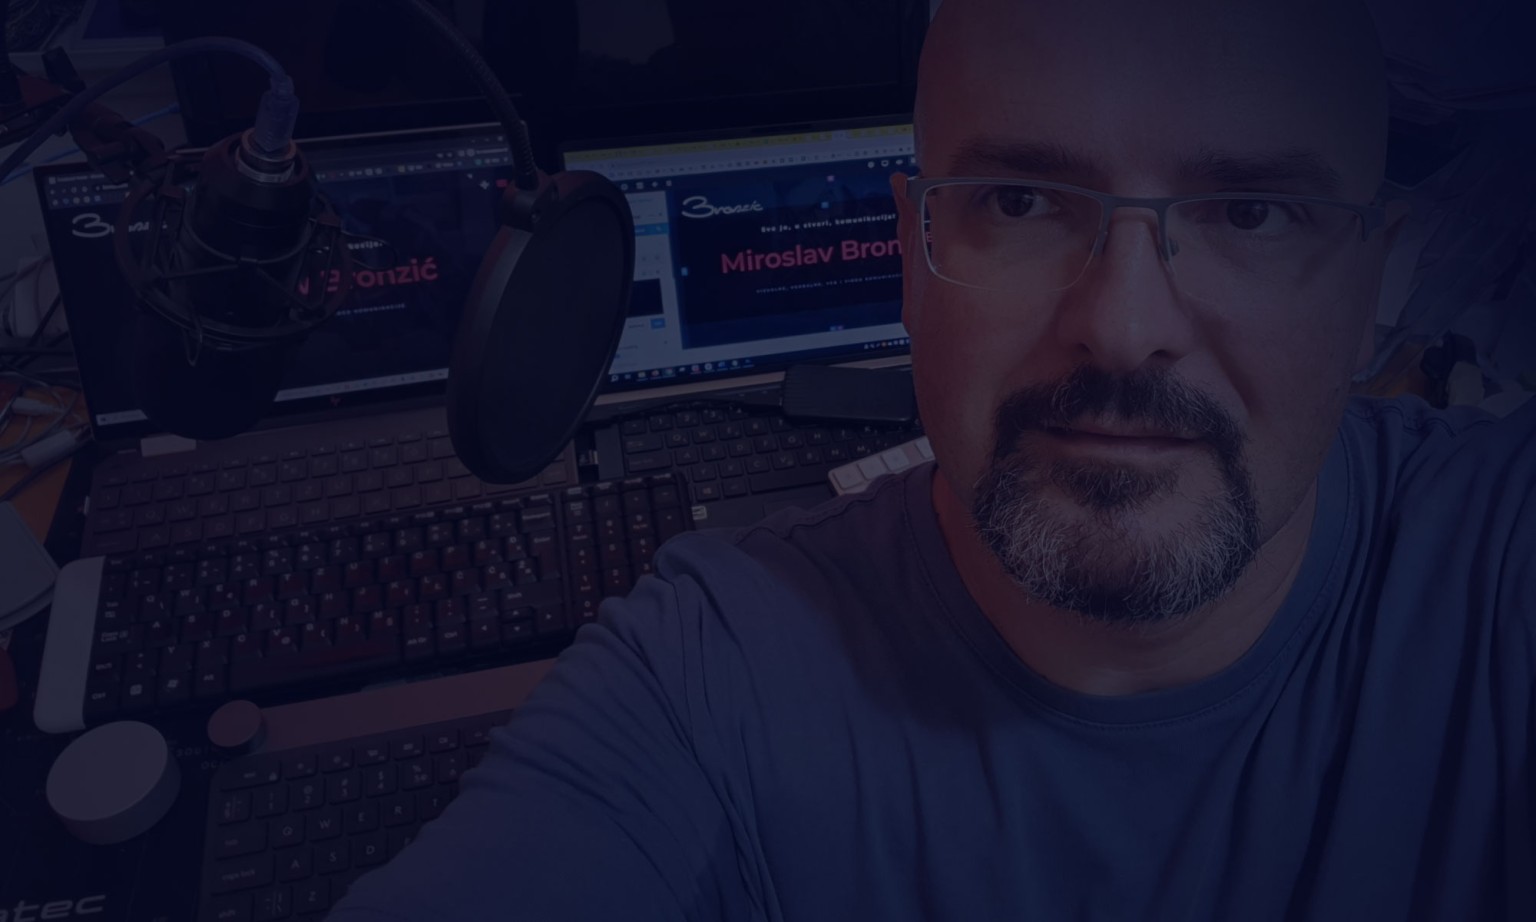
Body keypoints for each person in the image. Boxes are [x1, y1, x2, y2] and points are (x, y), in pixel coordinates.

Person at [330, 0, 1536, 918]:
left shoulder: (1500, 560)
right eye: (1019, 201)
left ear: (1379, 285)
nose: (1123, 324)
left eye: (1253, 213)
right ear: (909, 256)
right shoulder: (706, 677)